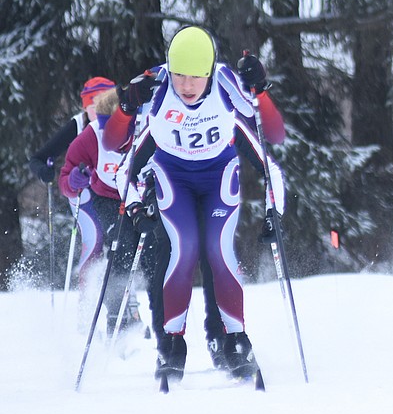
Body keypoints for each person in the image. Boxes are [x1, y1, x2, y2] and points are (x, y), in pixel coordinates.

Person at [103, 25, 285, 382]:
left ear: (209, 71)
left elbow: (272, 143)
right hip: (175, 179)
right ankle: (173, 346)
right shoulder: (156, 84)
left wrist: (272, 212)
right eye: (180, 77)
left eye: (195, 78)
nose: (186, 86)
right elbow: (118, 158)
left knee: (219, 253)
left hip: (218, 177)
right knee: (183, 251)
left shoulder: (225, 81)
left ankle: (236, 342)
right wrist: (126, 107)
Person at [56, 86, 145, 336]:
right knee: (121, 245)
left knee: (153, 247)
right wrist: (74, 180)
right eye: (105, 127)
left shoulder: (143, 128)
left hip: (142, 196)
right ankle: (118, 315)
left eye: (114, 128)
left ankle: (156, 317)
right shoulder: (89, 137)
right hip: (108, 198)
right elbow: (65, 180)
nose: (110, 136)